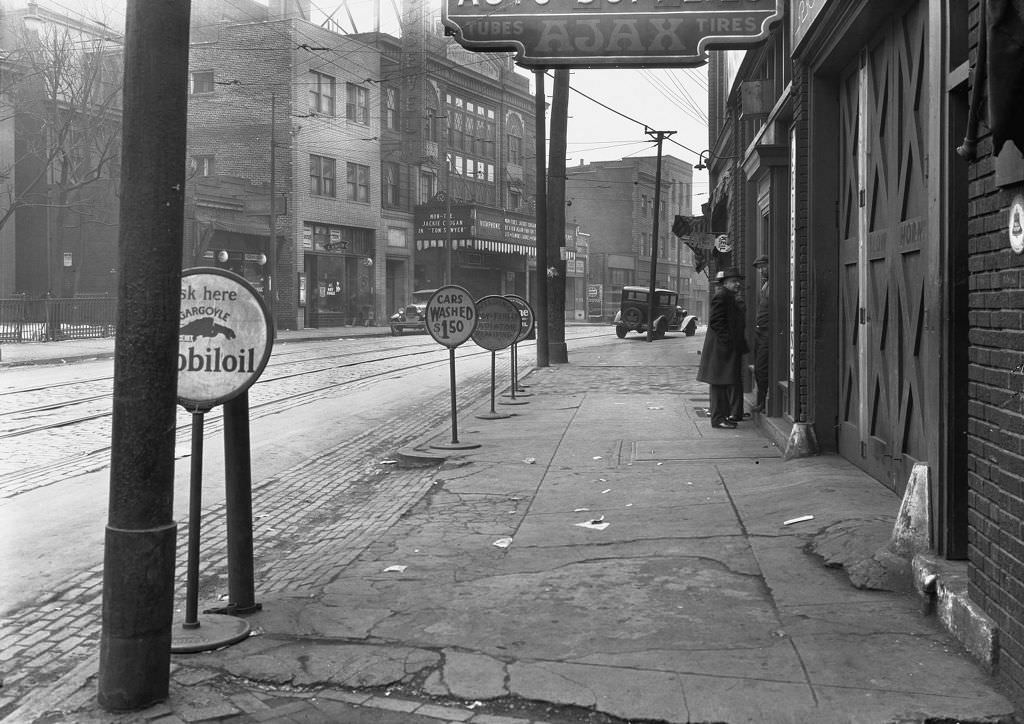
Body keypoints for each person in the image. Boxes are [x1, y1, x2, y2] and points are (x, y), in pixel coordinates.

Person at [697, 267, 749, 429]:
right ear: (725, 283)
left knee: (723, 383)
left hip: (724, 349)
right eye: (734, 281)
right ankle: (718, 418)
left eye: (738, 281)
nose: (737, 284)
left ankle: (722, 416)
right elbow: (716, 322)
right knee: (719, 383)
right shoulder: (722, 296)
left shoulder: (728, 296)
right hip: (721, 350)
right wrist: (728, 342)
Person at [751, 255, 770, 412]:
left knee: (762, 368)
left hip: (769, 333)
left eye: (764, 266)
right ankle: (762, 400)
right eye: (760, 268)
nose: (762, 270)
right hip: (760, 330)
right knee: (758, 367)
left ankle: (764, 401)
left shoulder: (774, 284)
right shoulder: (765, 285)